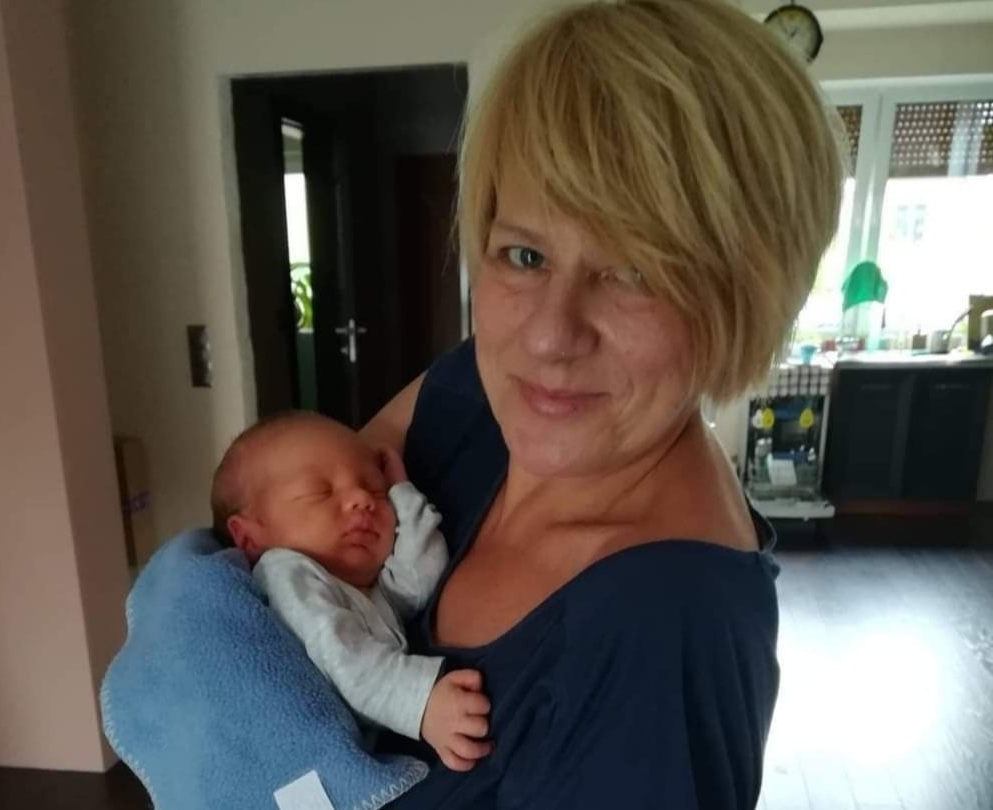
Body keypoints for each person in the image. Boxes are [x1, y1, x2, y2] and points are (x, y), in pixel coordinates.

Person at [360, 0, 844, 806]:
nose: (550, 336)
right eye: (525, 255)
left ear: (744, 298)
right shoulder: (477, 394)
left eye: (636, 273)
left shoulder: (664, 636)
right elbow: (275, 515)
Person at [211, 412, 494, 772]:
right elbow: (342, 655)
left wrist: (401, 491)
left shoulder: (358, 588)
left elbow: (420, 581)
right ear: (250, 537)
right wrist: (422, 703)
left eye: (374, 488)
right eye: (320, 492)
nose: (362, 498)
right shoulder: (286, 572)